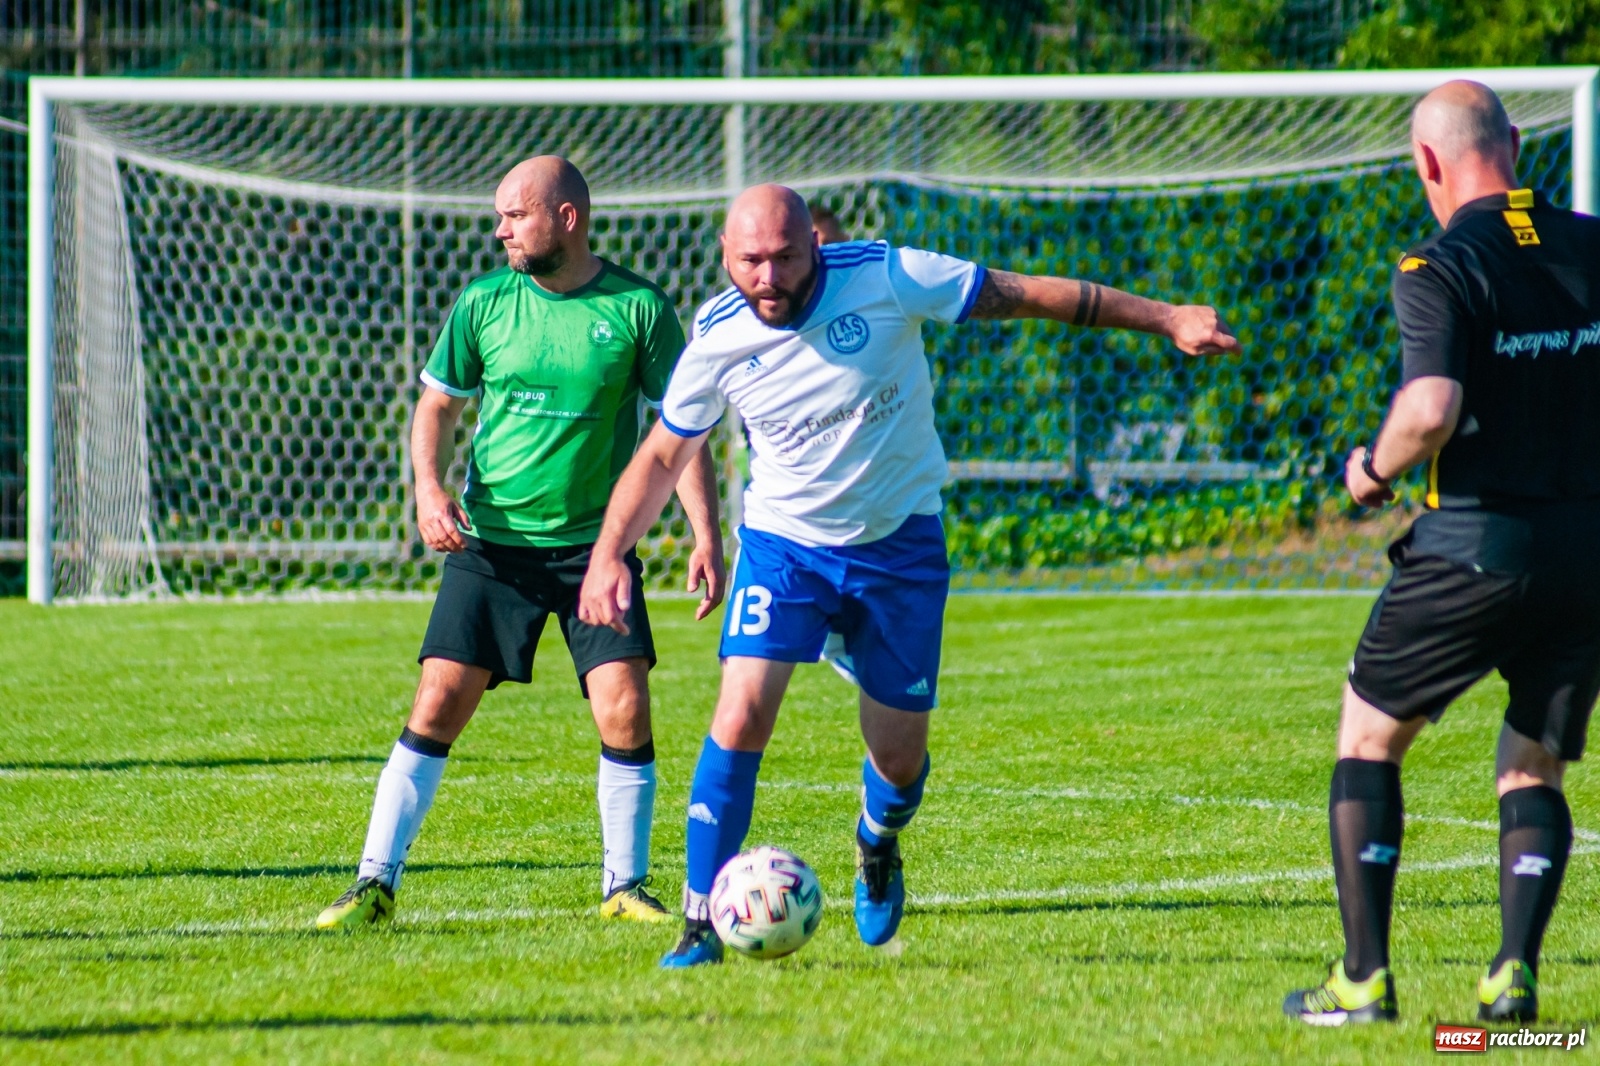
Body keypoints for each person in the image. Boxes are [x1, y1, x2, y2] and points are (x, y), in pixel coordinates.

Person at [578, 183, 1237, 967]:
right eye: (750, 260)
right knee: (741, 712)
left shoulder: (890, 276)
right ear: (726, 259)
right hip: (786, 548)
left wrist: (1167, 317)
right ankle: (698, 921)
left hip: (899, 547)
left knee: (898, 758)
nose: (768, 276)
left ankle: (877, 841)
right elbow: (662, 454)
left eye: (785, 257)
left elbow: (1029, 296)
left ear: (813, 247)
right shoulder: (717, 335)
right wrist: (609, 551)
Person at [316, 156, 725, 931]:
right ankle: (373, 883)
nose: (499, 228)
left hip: (593, 554)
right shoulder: (484, 303)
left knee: (625, 707)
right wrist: (428, 489)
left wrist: (707, 534)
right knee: (438, 699)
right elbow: (434, 408)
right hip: (492, 546)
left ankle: (625, 888)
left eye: (515, 214)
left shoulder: (638, 308)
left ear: (565, 219)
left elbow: (686, 431)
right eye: (499, 215)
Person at [1283, 81, 1600, 1026]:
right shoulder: (1591, 242)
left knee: (1369, 738)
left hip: (1473, 542)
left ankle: (1364, 980)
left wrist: (1370, 472)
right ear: (1514, 142)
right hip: (1587, 552)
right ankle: (1511, 977)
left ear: (1427, 163)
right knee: (1531, 760)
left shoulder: (1437, 263)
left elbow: (1430, 409)